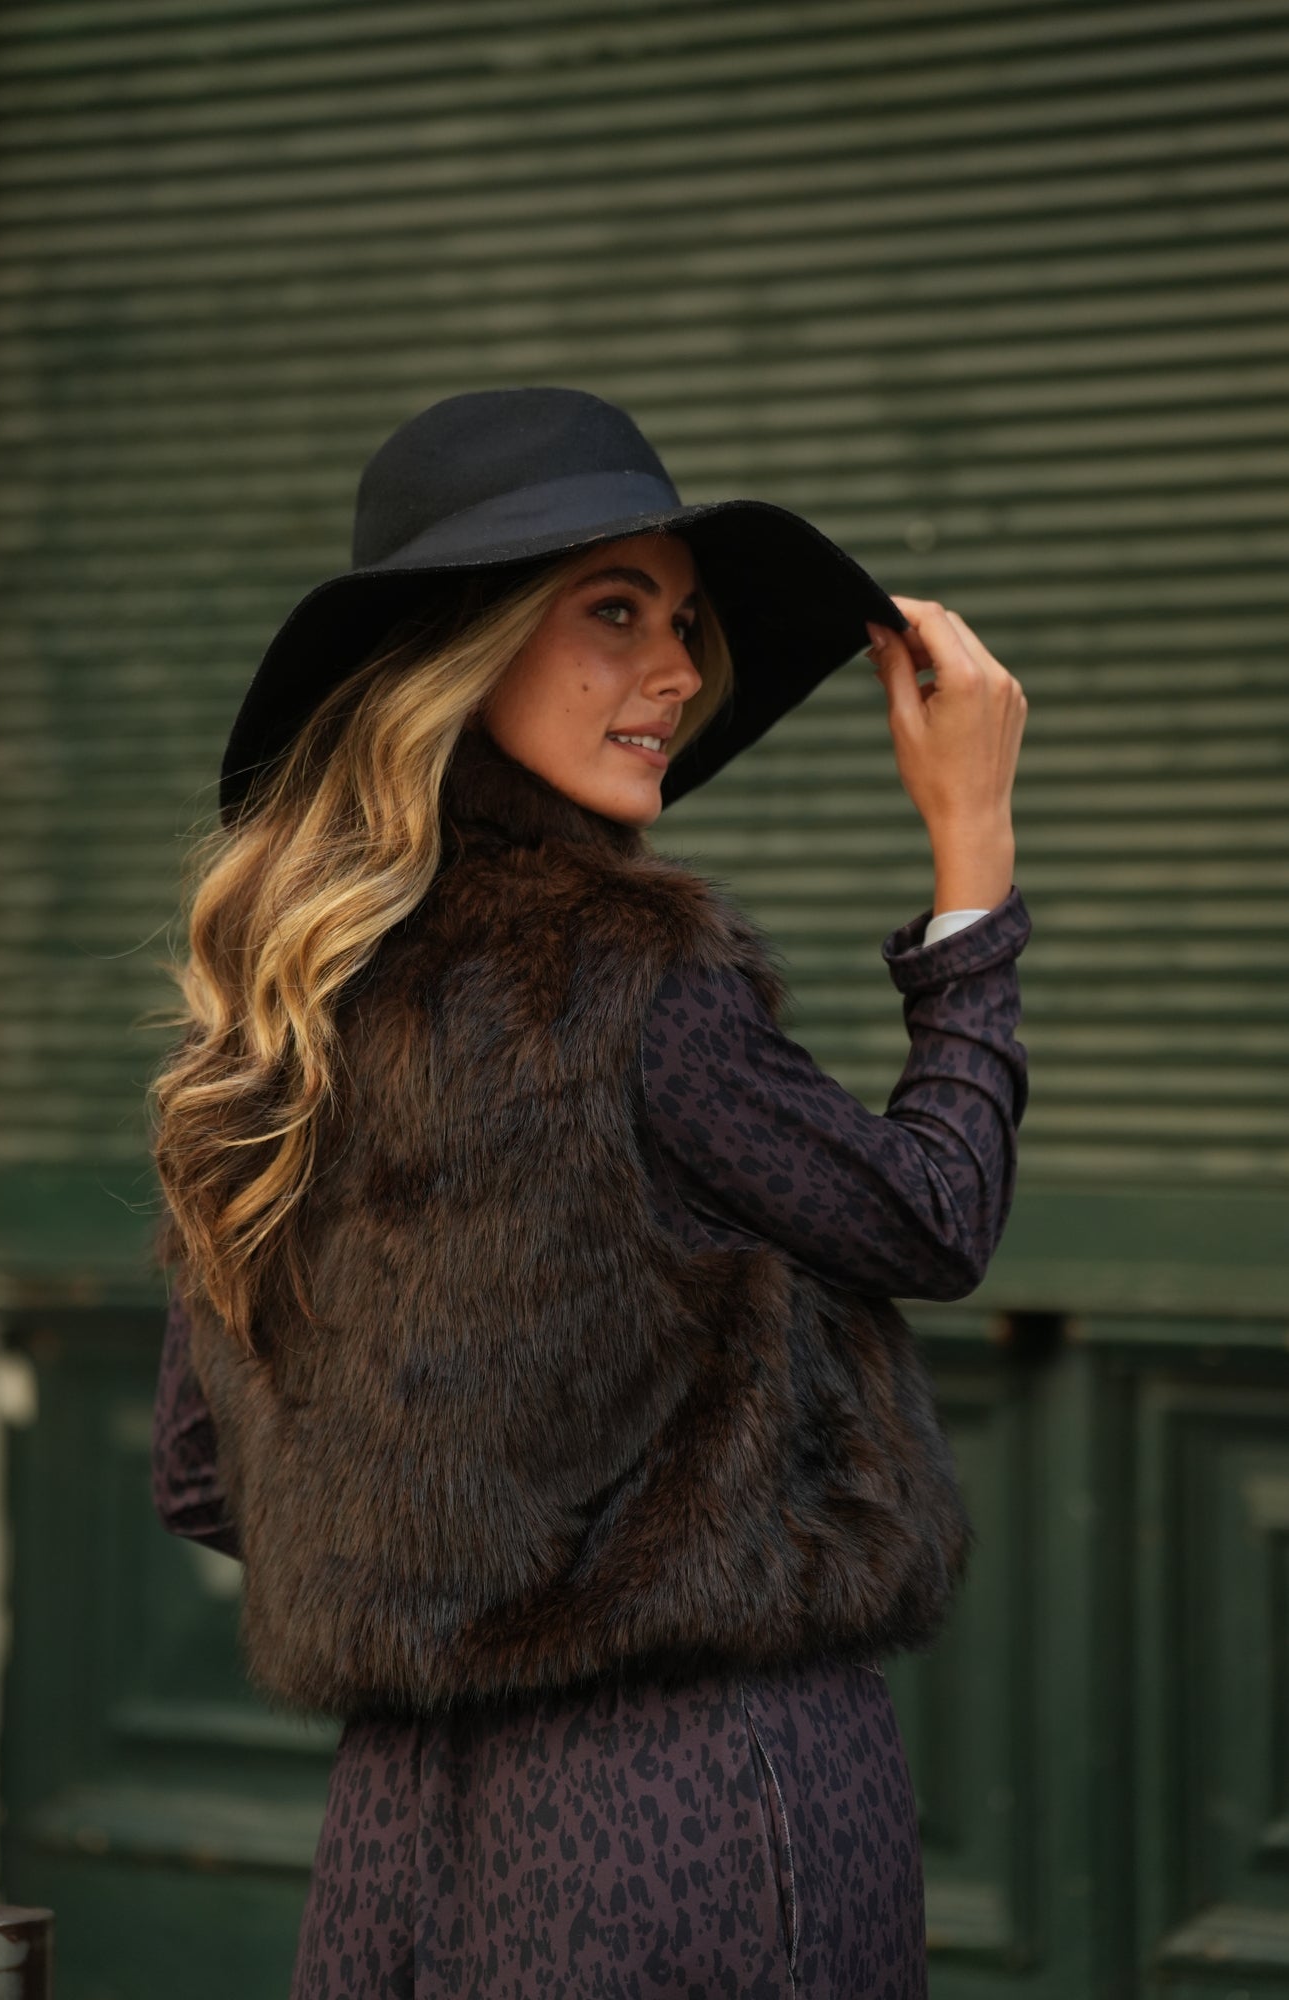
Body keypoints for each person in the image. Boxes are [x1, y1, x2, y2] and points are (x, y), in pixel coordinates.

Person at [148, 386, 1030, 2000]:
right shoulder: (624, 978)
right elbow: (930, 1215)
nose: (677, 671)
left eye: (684, 623)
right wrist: (971, 856)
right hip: (693, 1793)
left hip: (400, 1825)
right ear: (463, 650)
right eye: (611, 612)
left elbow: (207, 1477)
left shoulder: (280, 1021)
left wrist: (461, 1536)